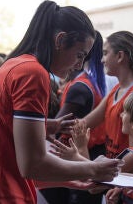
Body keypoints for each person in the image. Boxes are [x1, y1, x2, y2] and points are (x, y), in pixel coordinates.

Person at [0, 1, 121, 203]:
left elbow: (17, 162)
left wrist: (74, 177)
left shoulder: (17, 65)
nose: (78, 64)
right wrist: (92, 168)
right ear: (60, 40)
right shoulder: (32, 73)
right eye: (79, 55)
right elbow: (32, 164)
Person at [40, 31, 107, 204]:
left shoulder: (80, 86)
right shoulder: (92, 82)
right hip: (85, 154)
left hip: (76, 155)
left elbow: (55, 130)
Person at [82, 30, 133, 159]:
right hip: (116, 170)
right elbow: (84, 123)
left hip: (128, 173)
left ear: (120, 56)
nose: (101, 60)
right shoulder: (116, 89)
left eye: (105, 53)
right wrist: (51, 127)